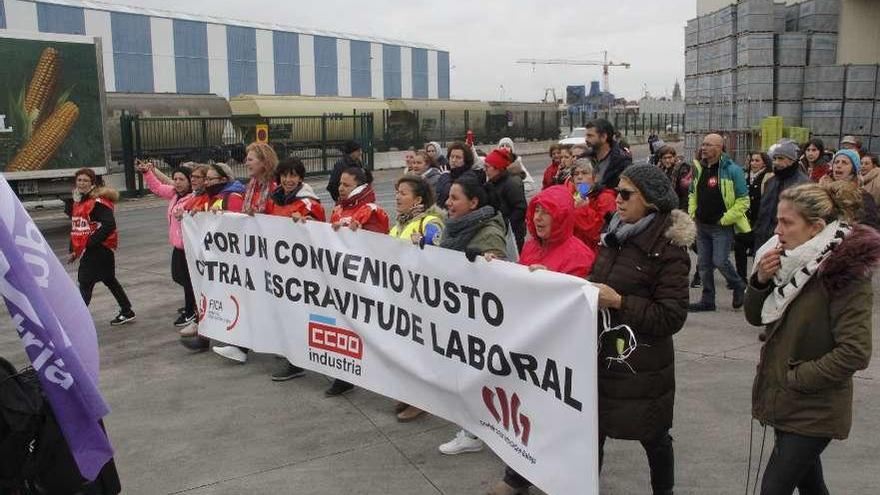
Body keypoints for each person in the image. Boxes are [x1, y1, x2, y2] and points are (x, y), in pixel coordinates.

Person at [745, 181, 876, 495]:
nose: (777, 230)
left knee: (773, 489)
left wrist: (796, 378)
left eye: (787, 222)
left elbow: (855, 351)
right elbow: (755, 316)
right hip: (786, 401)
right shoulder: (787, 261)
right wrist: (761, 280)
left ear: (816, 227)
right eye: (777, 220)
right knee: (811, 484)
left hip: (814, 406)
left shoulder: (845, 273)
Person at [589, 165, 695, 495]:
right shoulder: (616, 233)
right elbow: (596, 280)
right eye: (616, 192)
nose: (616, 200)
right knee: (592, 431)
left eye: (625, 194)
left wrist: (620, 301)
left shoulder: (669, 248)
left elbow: (671, 316)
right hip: (602, 354)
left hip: (642, 364)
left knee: (654, 436)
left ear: (649, 200)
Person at [486, 185, 596, 495]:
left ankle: (552, 478)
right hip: (530, 347)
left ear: (562, 215)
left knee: (554, 419)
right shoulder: (532, 248)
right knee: (526, 414)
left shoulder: (580, 253)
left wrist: (552, 283)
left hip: (560, 354)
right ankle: (517, 475)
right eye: (536, 210)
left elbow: (581, 303)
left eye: (547, 212)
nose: (539, 217)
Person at [437, 177, 510, 457]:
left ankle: (474, 433)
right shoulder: (455, 228)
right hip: (458, 318)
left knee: (475, 378)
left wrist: (492, 265)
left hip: (478, 324)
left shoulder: (488, 234)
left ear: (474, 202)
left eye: (455, 198)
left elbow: (498, 284)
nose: (448, 203)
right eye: (449, 197)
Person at [324, 166, 390, 397]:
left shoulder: (371, 211)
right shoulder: (340, 208)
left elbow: (376, 246)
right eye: (340, 184)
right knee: (343, 327)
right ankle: (344, 376)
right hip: (343, 280)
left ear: (360, 186)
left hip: (365, 284)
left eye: (346, 185)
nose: (340, 188)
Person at [213, 143, 278, 364]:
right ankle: (241, 347)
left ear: (264, 162)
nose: (246, 163)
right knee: (252, 299)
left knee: (271, 304)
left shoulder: (274, 187)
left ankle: (283, 351)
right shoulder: (252, 185)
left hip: (271, 255)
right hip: (255, 254)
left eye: (251, 159)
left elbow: (277, 217)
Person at [388, 174, 444, 421]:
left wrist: (424, 245)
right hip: (400, 298)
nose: (398, 197)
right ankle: (408, 393)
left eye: (403, 193)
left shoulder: (430, 222)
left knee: (420, 351)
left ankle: (422, 400)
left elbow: (437, 254)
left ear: (418, 199)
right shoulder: (397, 225)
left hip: (421, 299)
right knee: (404, 350)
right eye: (397, 192)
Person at [687, 133, 750, 312]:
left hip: (720, 226)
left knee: (720, 261)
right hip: (702, 224)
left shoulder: (732, 170)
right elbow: (692, 193)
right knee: (704, 265)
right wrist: (693, 212)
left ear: (719, 148)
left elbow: (743, 201)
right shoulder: (699, 168)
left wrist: (725, 218)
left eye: (708, 145)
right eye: (703, 144)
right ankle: (707, 300)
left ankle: (739, 286)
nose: (703, 148)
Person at [67, 168, 135, 326]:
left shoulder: (97, 202)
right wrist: (73, 250)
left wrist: (91, 243)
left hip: (100, 249)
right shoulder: (78, 201)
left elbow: (109, 224)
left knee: (85, 282)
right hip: (93, 249)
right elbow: (77, 228)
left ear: (92, 183)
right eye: (79, 180)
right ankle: (127, 310)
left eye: (85, 180)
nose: (82, 183)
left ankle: (76, 320)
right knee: (109, 279)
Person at [138, 161, 196, 327]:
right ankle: (192, 305)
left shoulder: (193, 198)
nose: (177, 182)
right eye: (175, 178)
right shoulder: (174, 194)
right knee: (178, 276)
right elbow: (157, 187)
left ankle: (191, 311)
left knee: (187, 279)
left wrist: (185, 214)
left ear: (190, 181)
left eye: (181, 179)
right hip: (177, 245)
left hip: (188, 247)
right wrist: (147, 173)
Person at [753, 141, 809, 252]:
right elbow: (763, 211)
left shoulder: (803, 184)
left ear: (792, 160)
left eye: (781, 158)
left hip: (787, 240)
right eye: (775, 158)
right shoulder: (770, 181)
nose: (776, 162)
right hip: (763, 239)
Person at [733, 152, 770, 281]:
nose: (753, 163)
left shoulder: (767, 177)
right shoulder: (746, 176)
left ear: (764, 163)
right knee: (739, 245)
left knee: (758, 250)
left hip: (760, 220)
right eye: (752, 161)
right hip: (746, 220)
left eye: (756, 161)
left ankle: (756, 278)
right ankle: (741, 277)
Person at [822, 149, 880, 229]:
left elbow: (870, 229)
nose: (839, 165)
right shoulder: (822, 190)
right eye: (836, 162)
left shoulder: (863, 196)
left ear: (853, 170)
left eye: (844, 163)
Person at [483, 148, 527, 252]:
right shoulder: (491, 184)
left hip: (513, 234)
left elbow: (521, 208)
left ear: (497, 168)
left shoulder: (512, 184)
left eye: (487, 167)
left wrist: (505, 224)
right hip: (498, 231)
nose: (485, 170)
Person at [569, 159, 617, 254]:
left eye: (584, 173)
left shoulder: (605, 198)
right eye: (576, 174)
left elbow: (601, 233)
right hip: (575, 251)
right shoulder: (574, 196)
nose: (579, 177)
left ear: (595, 178)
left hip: (594, 254)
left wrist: (582, 209)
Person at [586, 119, 632, 191]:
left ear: (604, 137)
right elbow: (581, 188)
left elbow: (624, 191)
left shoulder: (621, 163)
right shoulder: (586, 158)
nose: (586, 139)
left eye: (590, 136)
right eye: (586, 136)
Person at [436, 141, 485, 209]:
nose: (453, 160)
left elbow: (449, 194)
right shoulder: (447, 172)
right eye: (452, 157)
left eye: (458, 157)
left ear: (466, 160)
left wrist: (445, 177)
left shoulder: (469, 177)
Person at [656, 146, 692, 210]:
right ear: (661, 159)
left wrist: (683, 210)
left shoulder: (682, 168)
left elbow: (685, 193)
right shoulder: (660, 169)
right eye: (664, 158)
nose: (667, 160)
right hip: (666, 203)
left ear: (674, 157)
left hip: (679, 204)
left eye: (669, 157)